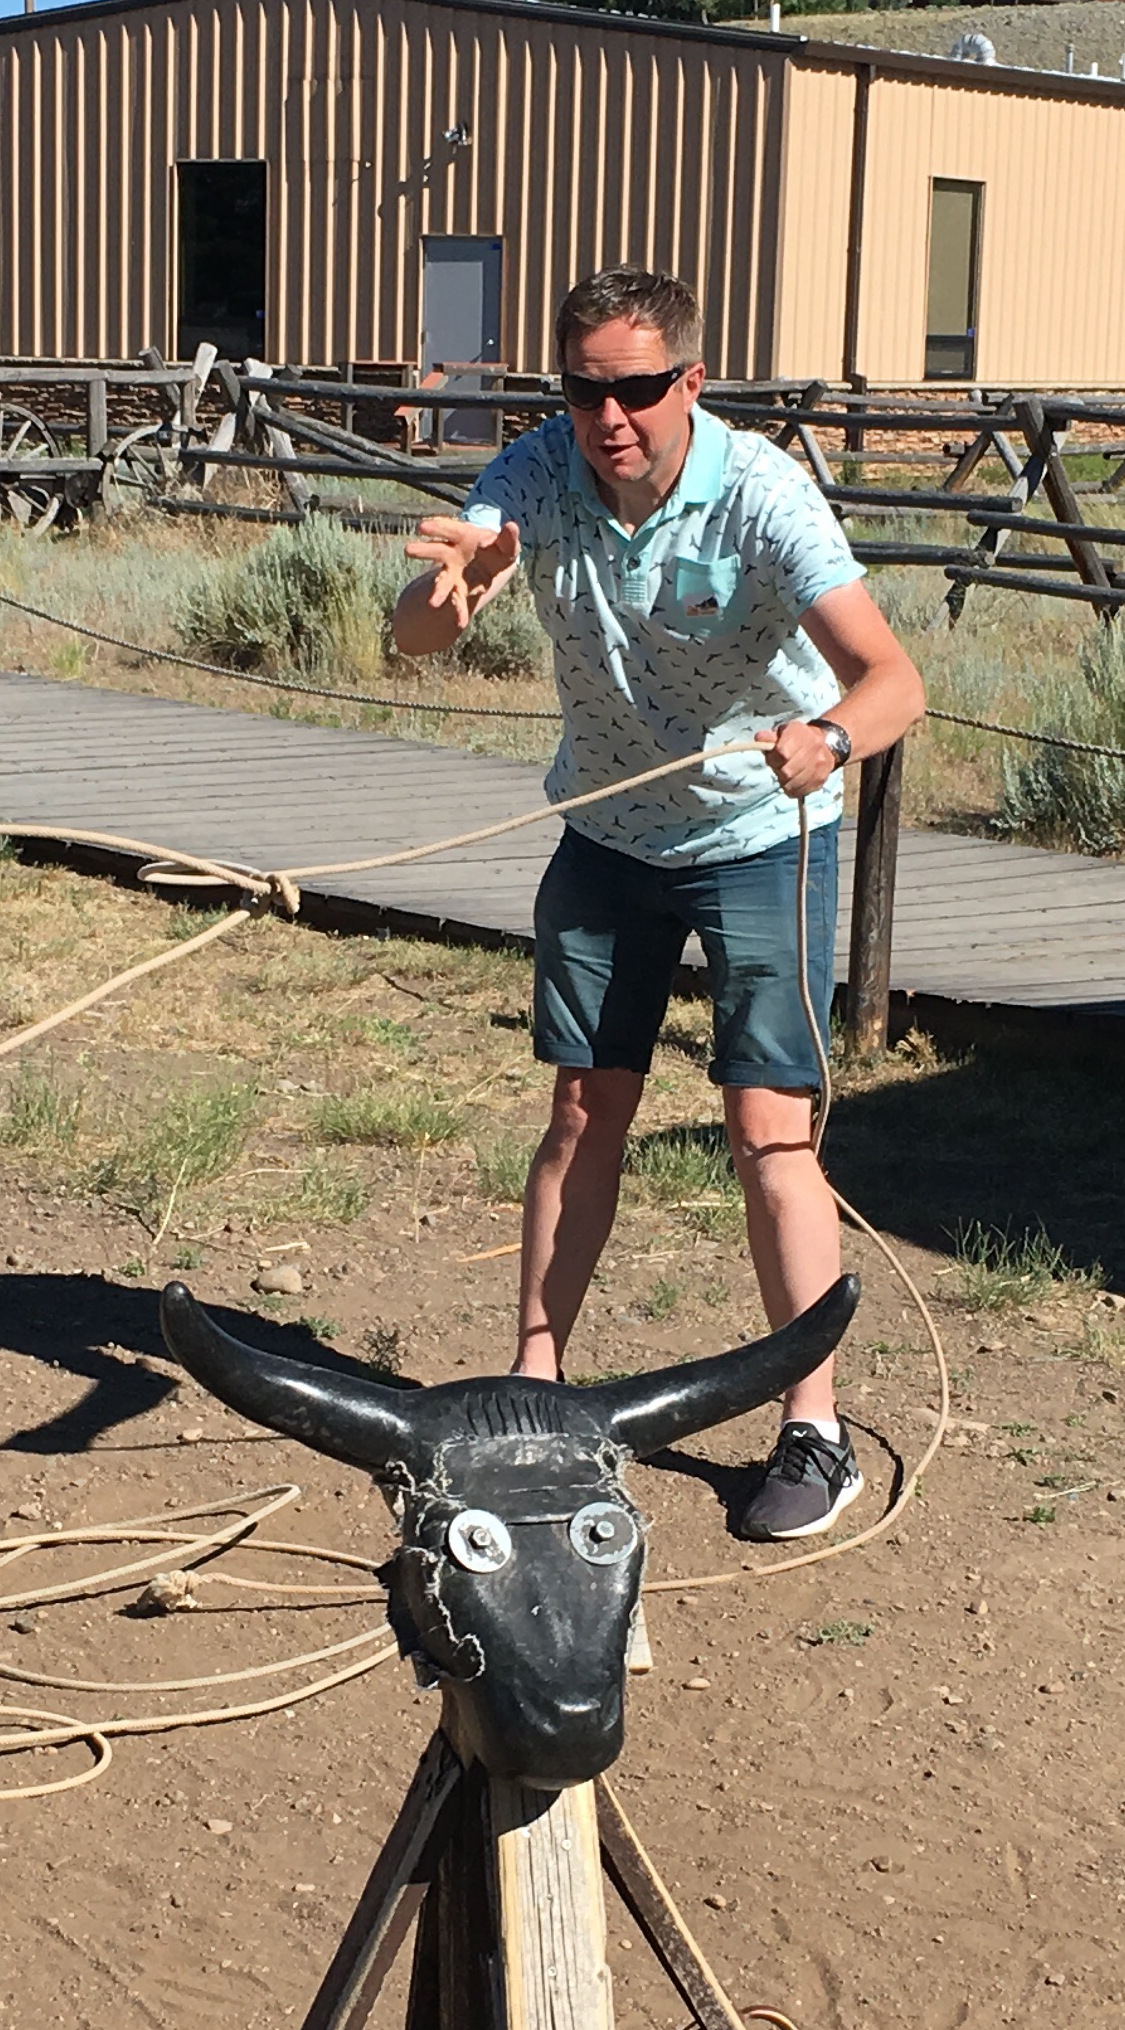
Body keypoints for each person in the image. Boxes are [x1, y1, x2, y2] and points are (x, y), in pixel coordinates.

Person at [389, 266, 925, 1539]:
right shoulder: (535, 472)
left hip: (760, 838)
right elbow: (419, 635)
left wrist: (831, 740)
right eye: (585, 391)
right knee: (583, 1110)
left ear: (691, 380)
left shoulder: (761, 496)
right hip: (608, 834)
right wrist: (448, 589)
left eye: (635, 389)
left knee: (768, 1129)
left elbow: (892, 681)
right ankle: (535, 1388)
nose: (608, 417)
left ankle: (814, 1427)